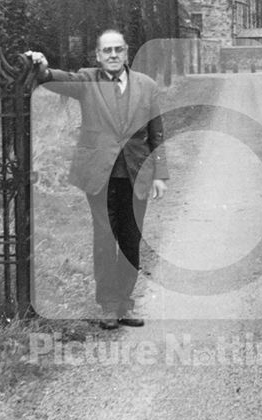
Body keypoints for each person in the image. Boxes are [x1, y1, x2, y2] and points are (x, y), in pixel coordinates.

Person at [26, 30, 168, 330]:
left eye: (118, 49)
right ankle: (107, 304)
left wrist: (160, 175)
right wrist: (41, 68)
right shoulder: (87, 81)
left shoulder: (147, 86)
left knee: (131, 241)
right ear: (98, 55)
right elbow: (55, 79)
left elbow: (156, 133)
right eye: (107, 51)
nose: (113, 55)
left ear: (127, 52)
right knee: (105, 238)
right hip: (99, 178)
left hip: (136, 176)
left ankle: (124, 304)